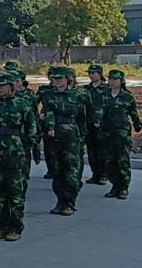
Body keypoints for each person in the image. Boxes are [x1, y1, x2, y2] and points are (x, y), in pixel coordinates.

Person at [0, 72, 37, 242]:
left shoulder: (22, 104)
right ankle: (2, 226)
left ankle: (16, 227)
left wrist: (25, 148)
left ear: (12, 87)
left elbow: (31, 129)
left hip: (15, 153)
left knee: (15, 192)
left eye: (3, 86)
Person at [43, 67, 88, 216]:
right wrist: (50, 127)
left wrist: (82, 137)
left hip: (72, 137)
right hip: (55, 136)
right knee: (57, 170)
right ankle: (60, 201)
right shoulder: (49, 95)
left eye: (60, 78)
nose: (56, 81)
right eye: (54, 79)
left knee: (71, 171)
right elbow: (48, 112)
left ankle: (69, 202)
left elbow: (84, 117)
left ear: (68, 79)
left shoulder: (78, 95)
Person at [102, 69, 142, 199]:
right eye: (110, 79)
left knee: (122, 160)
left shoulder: (127, 97)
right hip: (107, 133)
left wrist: (137, 126)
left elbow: (134, 114)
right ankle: (115, 186)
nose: (112, 81)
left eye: (115, 79)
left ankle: (124, 187)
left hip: (122, 133)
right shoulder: (104, 95)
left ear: (122, 81)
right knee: (109, 161)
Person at [83, 64, 110, 185]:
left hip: (102, 124)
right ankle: (95, 174)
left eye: (94, 73)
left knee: (102, 151)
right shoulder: (86, 89)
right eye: (90, 73)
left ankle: (103, 175)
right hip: (88, 123)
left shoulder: (107, 89)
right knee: (91, 151)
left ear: (100, 74)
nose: (91, 75)